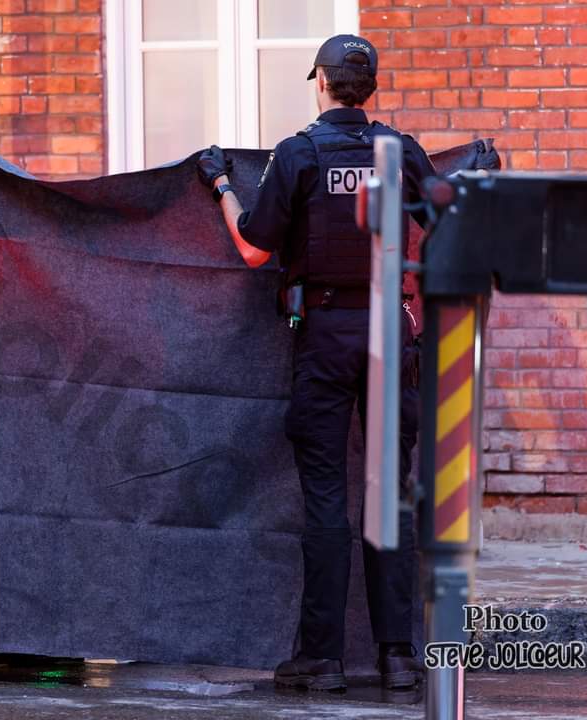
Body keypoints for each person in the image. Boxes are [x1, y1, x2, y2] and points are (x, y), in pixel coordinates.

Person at [196, 34, 434, 692]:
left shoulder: (298, 153)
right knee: (389, 497)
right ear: (371, 89)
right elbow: (446, 224)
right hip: (392, 332)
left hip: (325, 333)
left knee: (326, 498)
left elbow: (252, 248)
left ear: (321, 85)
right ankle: (397, 658)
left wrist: (218, 181)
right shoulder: (402, 152)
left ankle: (322, 660)